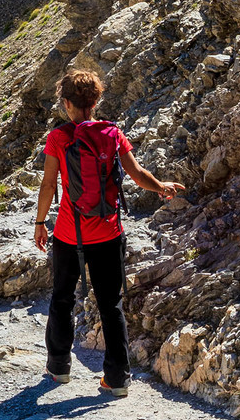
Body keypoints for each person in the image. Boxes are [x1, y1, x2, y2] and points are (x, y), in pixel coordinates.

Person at [33, 67, 185, 398]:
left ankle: (58, 367)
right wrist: (162, 187)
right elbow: (137, 173)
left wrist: (40, 222)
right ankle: (117, 379)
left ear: (66, 103)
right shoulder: (112, 133)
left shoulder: (59, 138)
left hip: (69, 234)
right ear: (96, 100)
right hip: (108, 233)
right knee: (111, 304)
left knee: (62, 298)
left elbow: (48, 185)